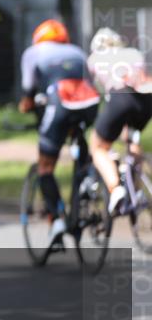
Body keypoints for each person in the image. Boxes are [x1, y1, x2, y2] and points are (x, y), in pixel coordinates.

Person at [18, 19, 101, 242]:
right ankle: (88, 178)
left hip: (60, 103)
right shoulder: (76, 51)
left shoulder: (32, 53)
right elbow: (90, 80)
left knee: (45, 165)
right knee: (82, 138)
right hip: (89, 103)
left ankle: (56, 219)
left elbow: (28, 88)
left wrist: (26, 105)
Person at [86, 27, 152, 214]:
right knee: (131, 140)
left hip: (120, 98)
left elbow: (94, 91)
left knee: (98, 147)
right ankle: (136, 189)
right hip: (146, 102)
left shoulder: (94, 59)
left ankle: (116, 189)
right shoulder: (134, 53)